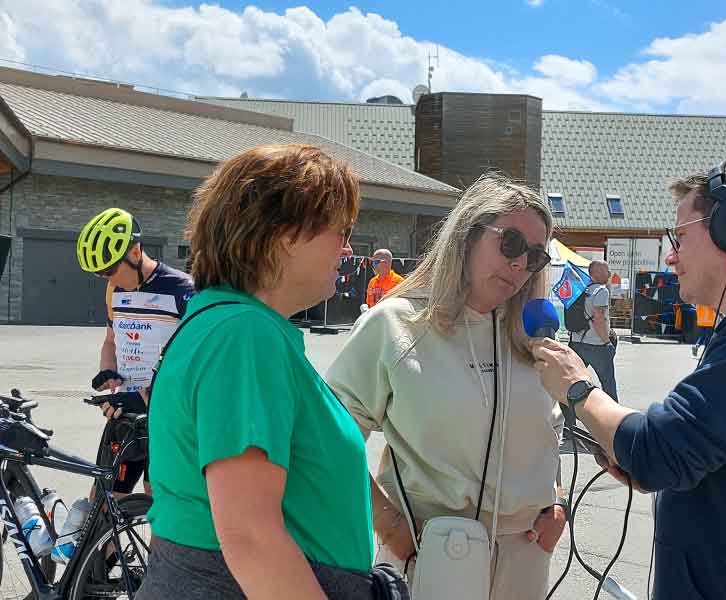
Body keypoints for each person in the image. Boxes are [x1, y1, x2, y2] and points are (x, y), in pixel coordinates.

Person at [530, 159, 726, 599]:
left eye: (680, 236)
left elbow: (660, 449)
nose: (671, 255)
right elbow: (703, 449)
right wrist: (661, 461)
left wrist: (579, 389)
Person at [137, 145, 377, 600]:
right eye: (341, 230)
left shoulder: (228, 324)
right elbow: (251, 537)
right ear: (286, 233)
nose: (347, 249)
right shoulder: (243, 335)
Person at [327, 172, 567, 600]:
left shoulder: (532, 335)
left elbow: (548, 432)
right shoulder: (395, 323)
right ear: (468, 235)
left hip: (526, 556)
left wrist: (556, 500)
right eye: (510, 243)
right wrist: (389, 523)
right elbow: (327, 440)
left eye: (534, 256)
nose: (518, 264)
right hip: (430, 551)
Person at [76, 207, 194, 496]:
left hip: (166, 415)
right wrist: (108, 372)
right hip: (125, 410)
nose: (108, 279)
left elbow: (193, 361)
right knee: (102, 502)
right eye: (101, 274)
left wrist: (150, 397)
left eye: (111, 270)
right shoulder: (114, 291)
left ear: (135, 252)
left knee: (159, 501)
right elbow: (111, 342)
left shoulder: (183, 290)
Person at [568, 260, 618, 401]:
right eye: (606, 271)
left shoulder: (580, 289)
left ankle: (569, 418)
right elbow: (599, 318)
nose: (609, 274)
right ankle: (613, 419)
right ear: (596, 273)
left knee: (573, 382)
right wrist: (607, 342)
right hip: (596, 345)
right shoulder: (601, 290)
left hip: (576, 342)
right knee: (608, 385)